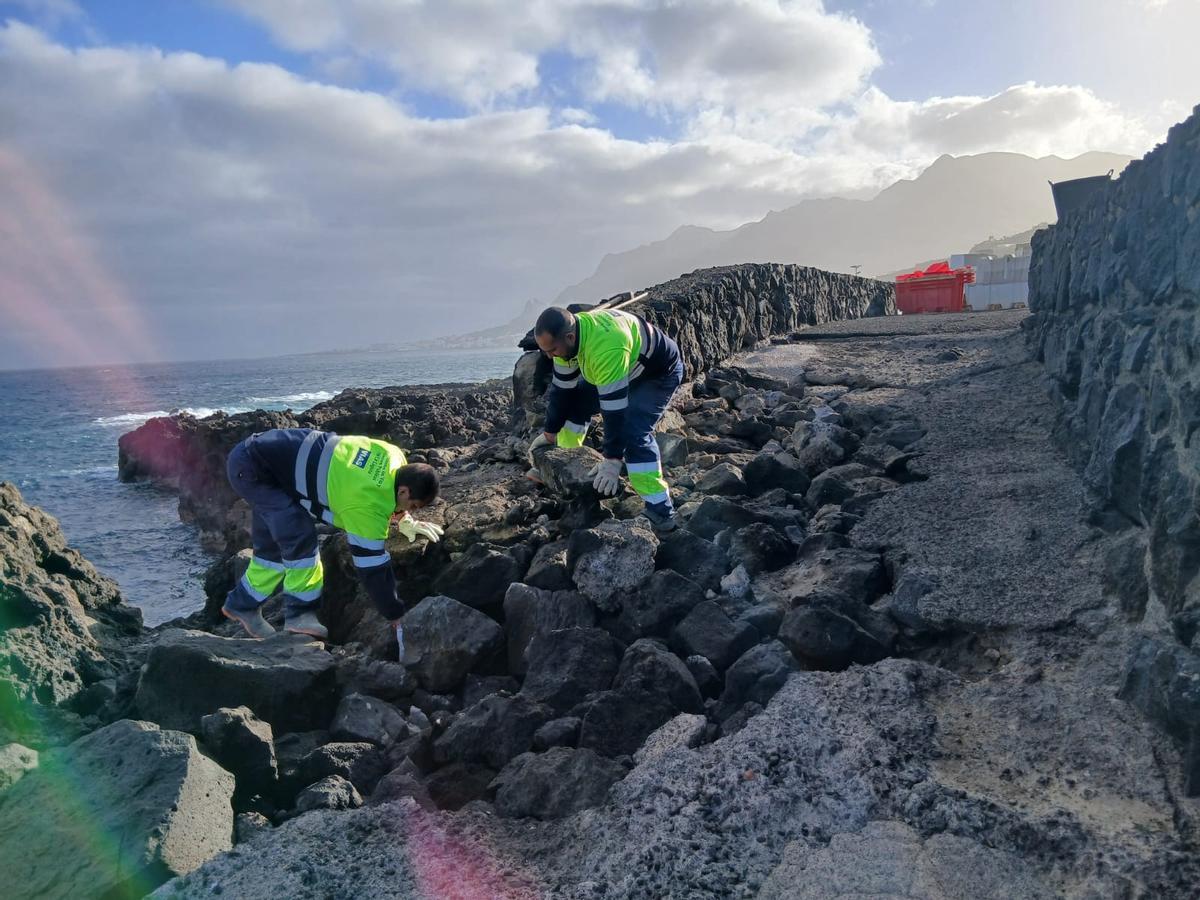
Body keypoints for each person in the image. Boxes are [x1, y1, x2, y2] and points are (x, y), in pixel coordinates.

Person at [221, 427, 442, 640]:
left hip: (262, 455)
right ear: (403, 491)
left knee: (271, 549)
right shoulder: (367, 504)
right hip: (253, 469)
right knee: (299, 536)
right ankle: (299, 614)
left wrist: (404, 519)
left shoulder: (393, 455)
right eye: (412, 506)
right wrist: (394, 612)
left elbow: (386, 490)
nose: (409, 511)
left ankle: (242, 605)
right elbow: (372, 567)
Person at [531, 305, 684, 531]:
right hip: (625, 366)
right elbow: (562, 392)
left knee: (633, 432)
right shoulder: (568, 342)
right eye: (545, 351)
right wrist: (550, 433)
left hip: (657, 373)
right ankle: (565, 466)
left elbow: (615, 413)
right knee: (575, 402)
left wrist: (612, 462)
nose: (549, 356)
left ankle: (660, 511)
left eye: (552, 350)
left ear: (570, 337)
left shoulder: (605, 349)